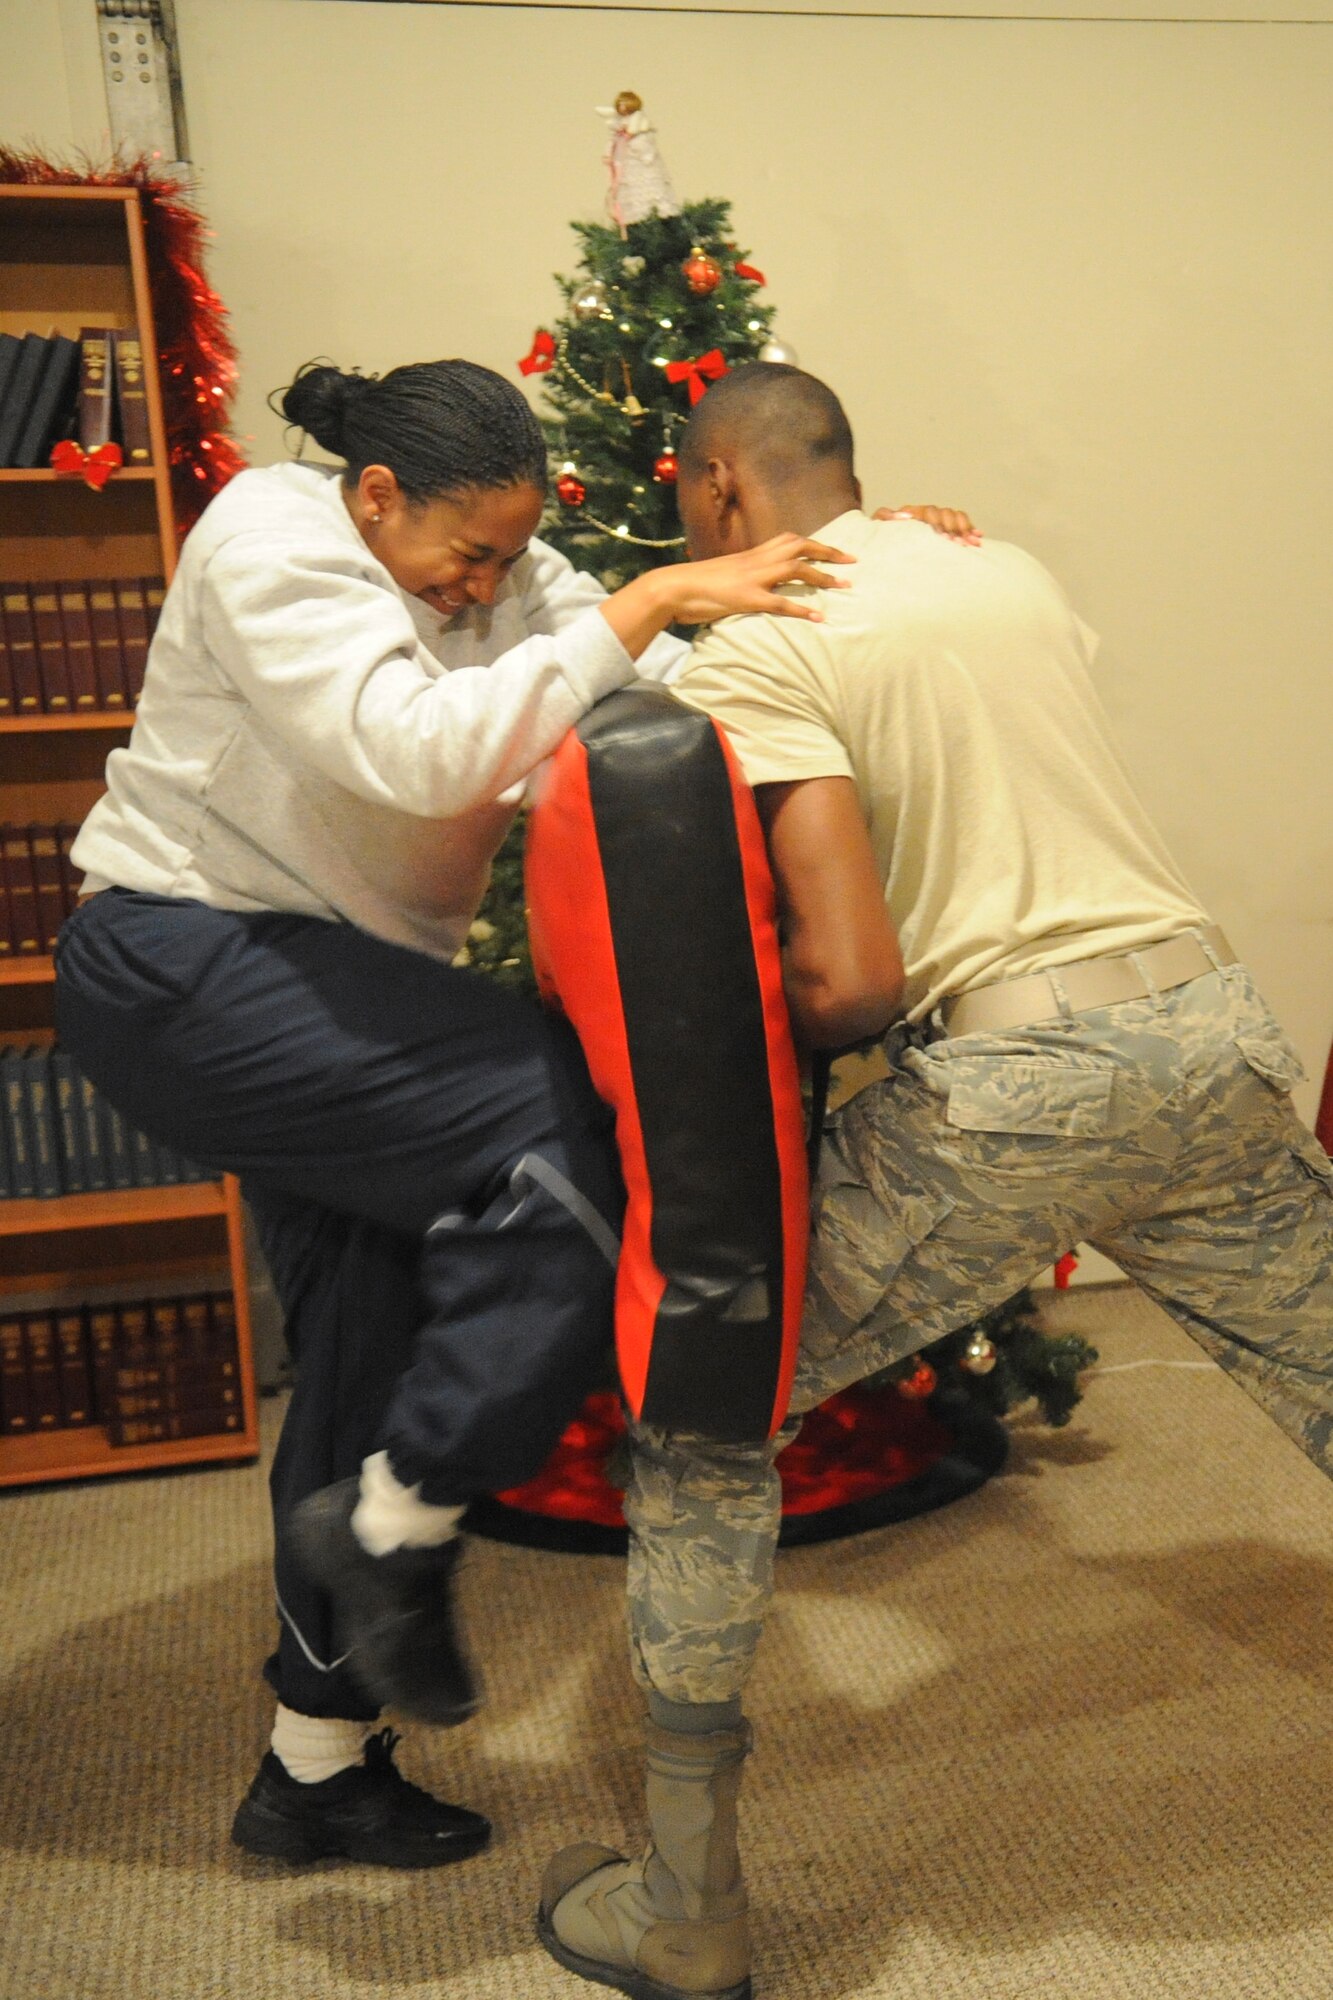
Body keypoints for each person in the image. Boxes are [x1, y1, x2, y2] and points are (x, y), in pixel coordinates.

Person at [537, 363, 1333, 2000]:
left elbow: (850, 980)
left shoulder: (752, 647)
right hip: (1213, 1030)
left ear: (717, 496)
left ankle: (684, 1910)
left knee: (699, 1425)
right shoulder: (996, 564)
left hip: (1019, 1084)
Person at [52, 356, 860, 1872]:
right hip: (181, 956)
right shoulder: (264, 538)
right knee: (559, 1142)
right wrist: (633, 613)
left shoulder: (522, 574)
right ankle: (398, 1525)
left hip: (331, 988)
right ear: (373, 496)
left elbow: (648, 690)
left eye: (504, 555)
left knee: (375, 1340)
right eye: (459, 555)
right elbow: (416, 755)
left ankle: (313, 1767)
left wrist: (868, 588)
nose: (482, 583)